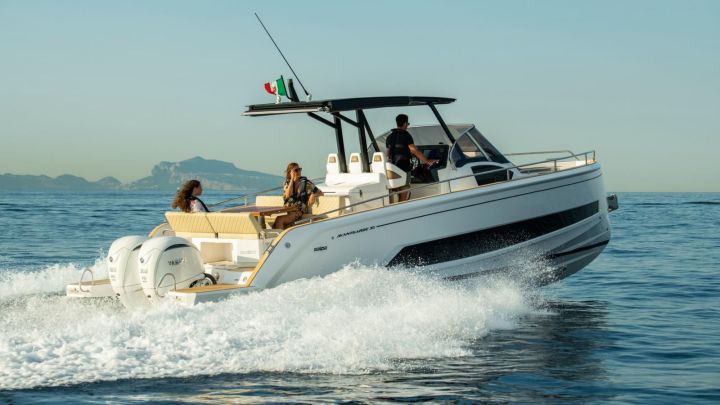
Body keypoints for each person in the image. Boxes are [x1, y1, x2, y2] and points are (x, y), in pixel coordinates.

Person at [386, 114, 436, 201]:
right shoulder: (406, 135)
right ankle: (402, 205)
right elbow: (413, 150)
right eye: (407, 124)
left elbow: (388, 153)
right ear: (405, 123)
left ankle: (397, 205)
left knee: (397, 188)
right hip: (404, 167)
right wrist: (427, 161)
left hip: (393, 167)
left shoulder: (390, 137)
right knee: (404, 187)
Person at [273, 163, 323, 229]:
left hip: (301, 213)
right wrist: (292, 179)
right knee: (278, 219)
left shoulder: (306, 183)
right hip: (291, 213)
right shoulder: (287, 183)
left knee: (279, 220)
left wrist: (313, 194)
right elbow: (287, 195)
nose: (298, 171)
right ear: (290, 173)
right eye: (296, 170)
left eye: (299, 169)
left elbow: (320, 192)